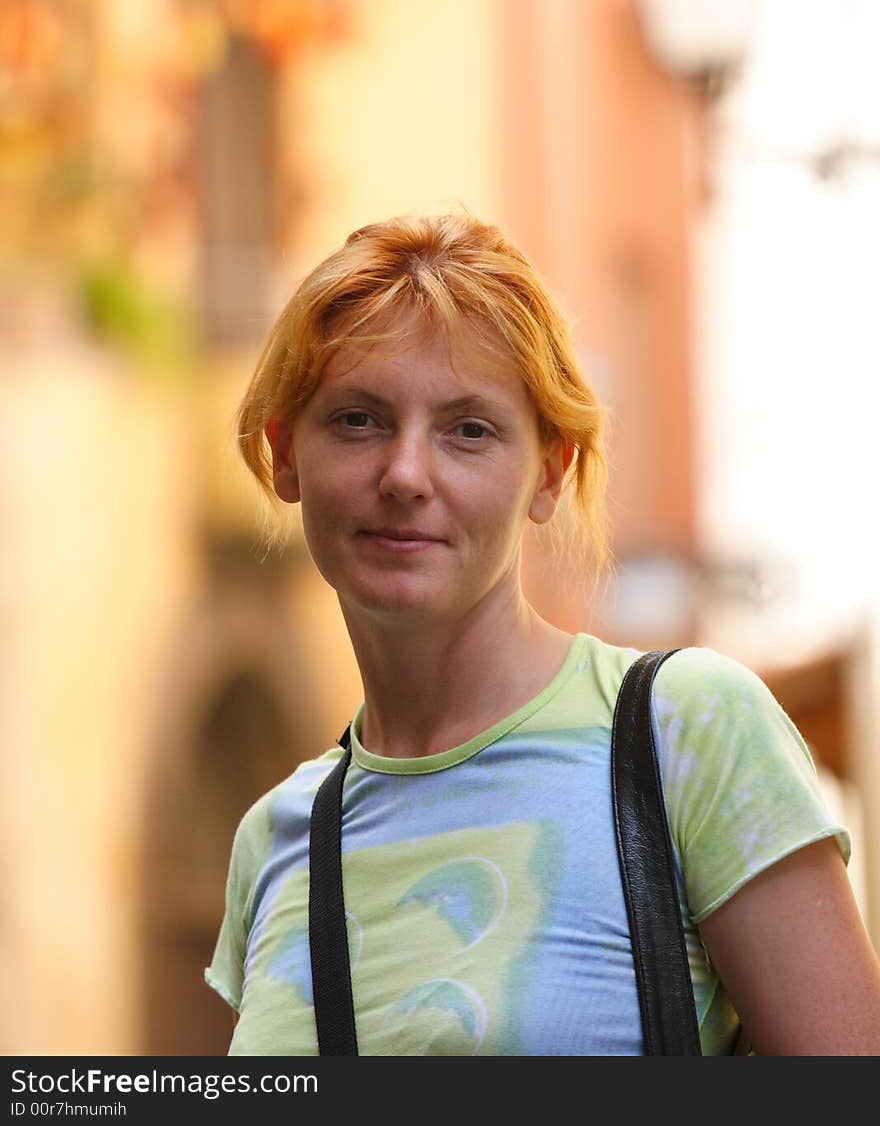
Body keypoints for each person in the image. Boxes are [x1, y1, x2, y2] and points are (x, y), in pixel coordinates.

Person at [205, 211, 880, 1056]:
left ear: (550, 473)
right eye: (358, 420)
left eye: (469, 430)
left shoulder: (682, 734)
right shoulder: (280, 834)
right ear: (285, 453)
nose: (406, 474)